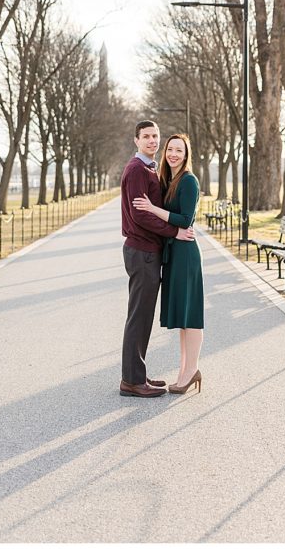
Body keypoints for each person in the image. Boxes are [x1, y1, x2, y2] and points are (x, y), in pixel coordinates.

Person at [120, 121, 196, 398]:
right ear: (136, 140)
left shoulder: (149, 169)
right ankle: (131, 380)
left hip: (148, 252)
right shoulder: (137, 170)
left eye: (155, 136)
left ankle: (136, 375)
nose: (152, 141)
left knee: (142, 316)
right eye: (146, 137)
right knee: (139, 317)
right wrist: (174, 231)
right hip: (142, 252)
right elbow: (141, 214)